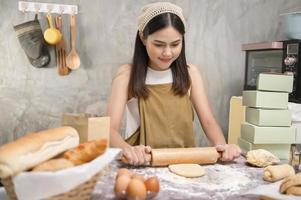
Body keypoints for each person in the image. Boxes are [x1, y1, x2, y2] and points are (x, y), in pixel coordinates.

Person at [106, 2, 241, 166]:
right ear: (143, 37)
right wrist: (128, 150)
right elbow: (109, 129)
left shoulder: (191, 73)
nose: (168, 53)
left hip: (185, 165)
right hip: (142, 167)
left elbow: (208, 122)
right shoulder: (127, 75)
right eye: (159, 44)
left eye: (175, 44)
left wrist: (222, 146)